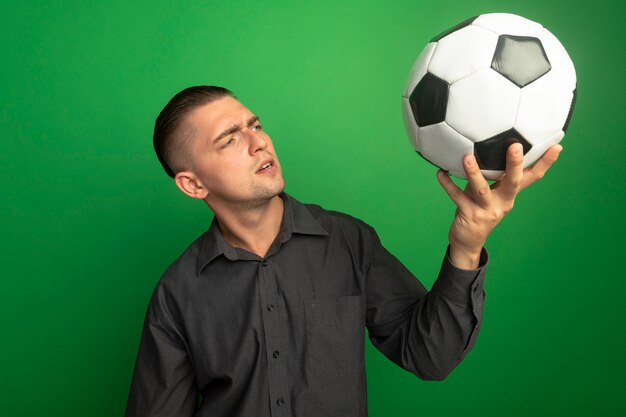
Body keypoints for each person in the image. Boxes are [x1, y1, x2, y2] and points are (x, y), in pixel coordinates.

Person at [124, 86, 562, 417]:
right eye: (229, 140)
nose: (259, 142)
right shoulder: (177, 292)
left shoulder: (348, 241)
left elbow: (430, 356)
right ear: (193, 184)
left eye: (254, 125)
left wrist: (467, 247)